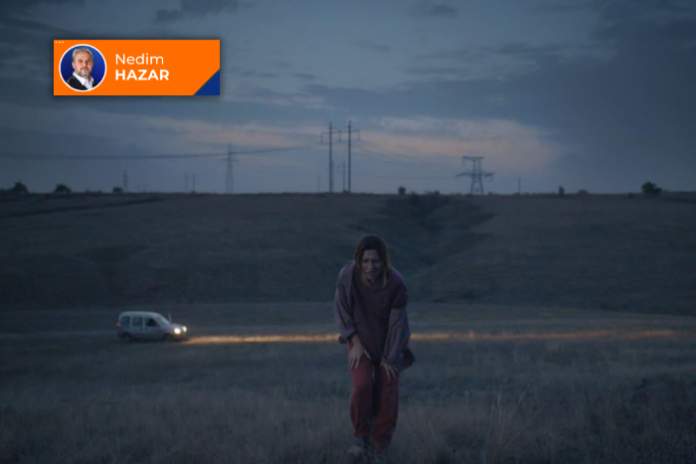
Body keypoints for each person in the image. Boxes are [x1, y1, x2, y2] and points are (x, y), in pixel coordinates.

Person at [334, 234, 415, 458]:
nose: (371, 266)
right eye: (366, 261)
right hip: (359, 343)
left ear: (384, 261)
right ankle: (360, 438)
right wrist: (356, 343)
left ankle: (381, 446)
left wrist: (390, 358)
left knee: (387, 392)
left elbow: (398, 325)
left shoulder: (396, 284)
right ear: (358, 260)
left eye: (376, 261)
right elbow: (342, 311)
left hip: (390, 346)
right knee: (362, 386)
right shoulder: (347, 276)